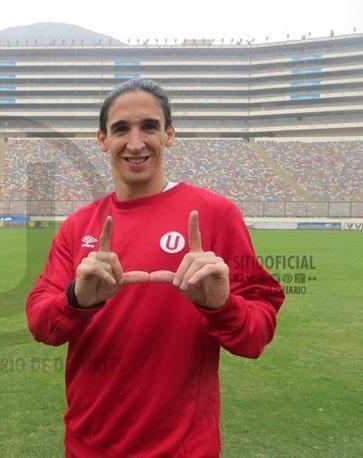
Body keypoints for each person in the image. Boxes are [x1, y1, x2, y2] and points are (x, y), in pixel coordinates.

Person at [26, 79, 284, 457]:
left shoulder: (215, 214)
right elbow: (40, 323)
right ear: (101, 139)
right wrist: (76, 301)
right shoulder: (78, 225)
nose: (135, 143)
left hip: (182, 449)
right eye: (120, 130)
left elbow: (256, 334)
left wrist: (221, 307)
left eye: (148, 126)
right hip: (86, 445)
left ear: (169, 134)